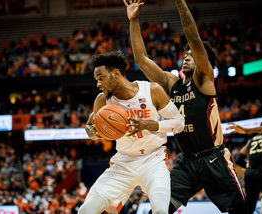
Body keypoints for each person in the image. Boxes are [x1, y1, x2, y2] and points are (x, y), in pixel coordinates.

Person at [124, 0, 248, 213]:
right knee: (159, 208)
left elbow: (194, 37)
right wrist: (134, 20)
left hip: (214, 157)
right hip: (187, 162)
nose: (186, 56)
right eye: (185, 53)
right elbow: (142, 60)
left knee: (239, 210)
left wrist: (180, 3)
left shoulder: (204, 80)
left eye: (191, 54)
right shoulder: (172, 84)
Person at [78, 51, 185, 214]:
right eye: (96, 80)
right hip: (124, 161)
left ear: (115, 74)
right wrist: (94, 132)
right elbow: (89, 127)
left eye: (101, 77)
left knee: (161, 211)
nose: (98, 84)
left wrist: (148, 125)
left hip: (153, 159)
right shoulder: (102, 100)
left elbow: (179, 123)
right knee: (86, 211)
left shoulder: (151, 90)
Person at [227, 98, 262, 214]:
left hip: (249, 172)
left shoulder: (251, 141)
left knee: (250, 206)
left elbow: (238, 158)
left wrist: (248, 165)